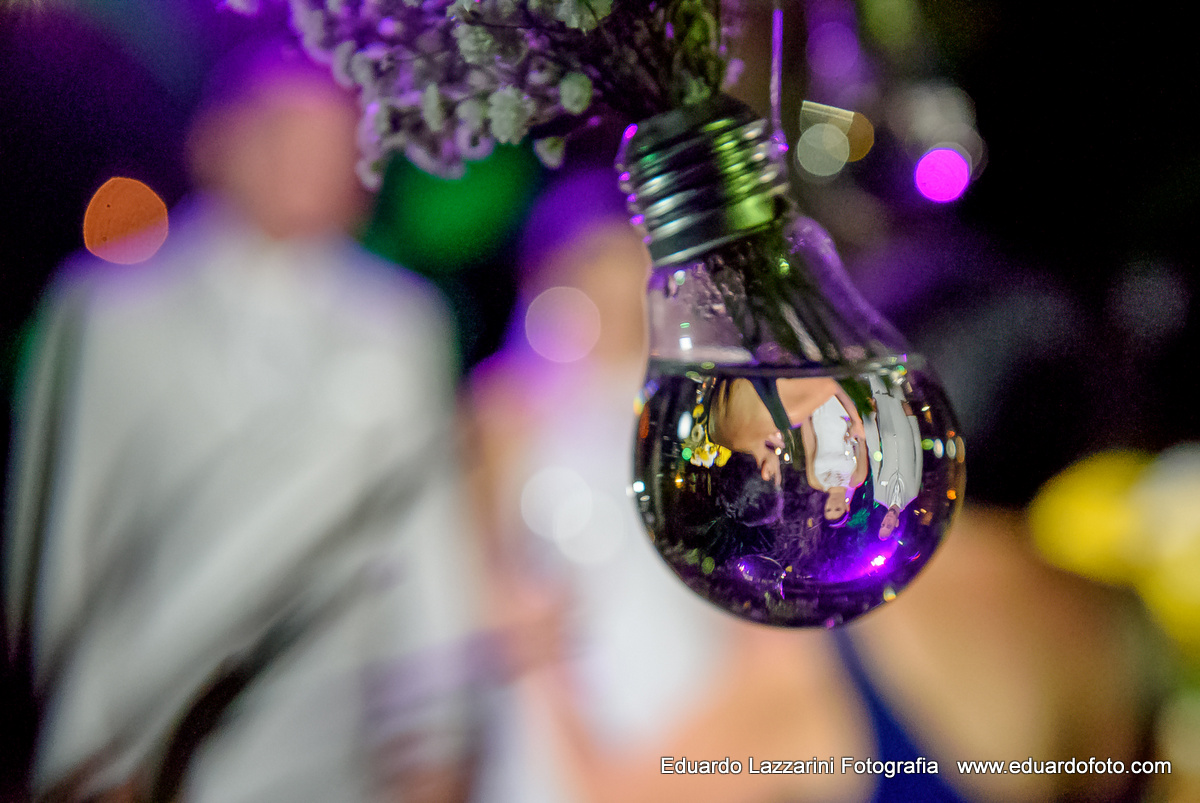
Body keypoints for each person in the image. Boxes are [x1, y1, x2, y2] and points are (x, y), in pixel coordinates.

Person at [4, 45, 481, 803]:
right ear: (218, 141)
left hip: (331, 745)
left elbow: (424, 542)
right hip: (147, 727)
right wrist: (81, 751)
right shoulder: (106, 312)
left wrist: (434, 738)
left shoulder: (401, 321)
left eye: (340, 141)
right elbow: (62, 537)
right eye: (290, 134)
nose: (318, 164)